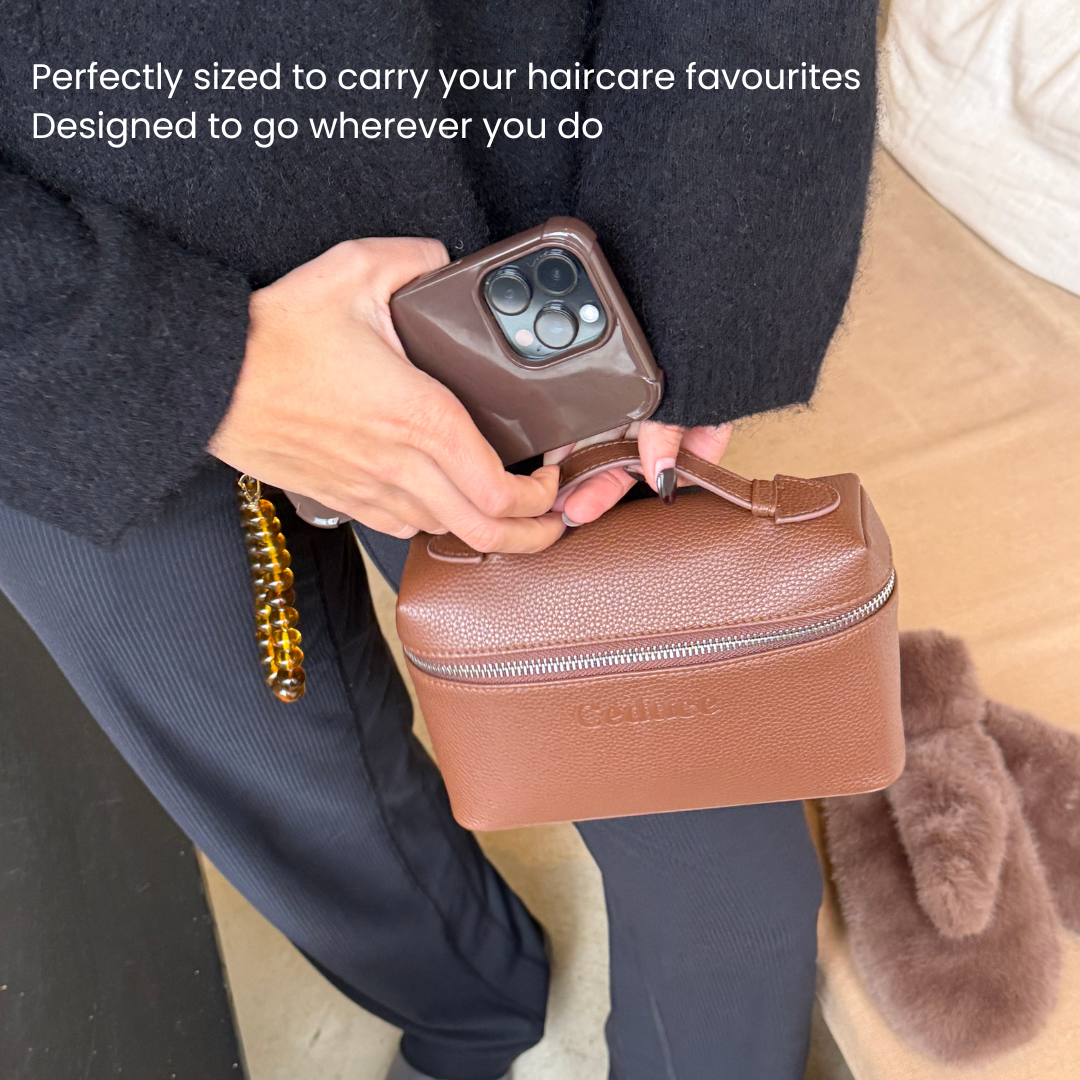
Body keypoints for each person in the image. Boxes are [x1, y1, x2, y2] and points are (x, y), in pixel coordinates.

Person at [0, 2, 878, 1078]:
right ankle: (471, 1006)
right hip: (43, 317)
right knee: (279, 792)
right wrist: (178, 361)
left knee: (711, 847)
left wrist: (702, 271)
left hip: (504, 220)